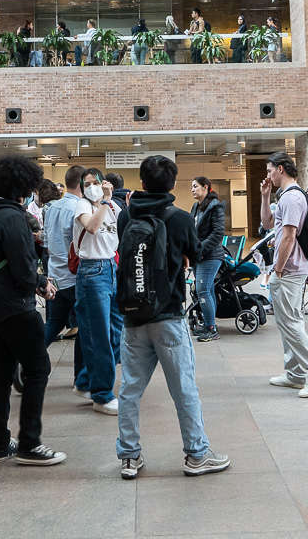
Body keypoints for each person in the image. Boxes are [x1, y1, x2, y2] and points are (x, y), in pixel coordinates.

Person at [114, 155, 230, 479]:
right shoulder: (179, 217)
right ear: (173, 184)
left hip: (133, 317)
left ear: (141, 181)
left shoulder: (126, 216)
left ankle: (129, 456)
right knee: (183, 388)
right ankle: (196, 454)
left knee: (130, 390)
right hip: (169, 317)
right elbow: (196, 252)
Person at [0, 155, 66, 466]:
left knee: (1, 374)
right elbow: (23, 270)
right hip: (16, 307)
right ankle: (30, 443)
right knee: (38, 369)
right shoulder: (13, 218)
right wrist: (42, 282)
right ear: (23, 187)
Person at [261, 151, 308, 397]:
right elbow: (269, 224)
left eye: (270, 170)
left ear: (281, 169)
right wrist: (265, 196)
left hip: (289, 269)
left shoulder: (292, 198)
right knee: (288, 321)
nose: (268, 175)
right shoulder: (285, 196)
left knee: (290, 322)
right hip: (292, 268)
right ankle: (294, 373)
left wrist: (277, 269)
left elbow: (289, 235)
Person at [74, 166, 123, 415]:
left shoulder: (116, 208)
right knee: (98, 335)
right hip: (91, 271)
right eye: (87, 183)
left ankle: (85, 381)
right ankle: (102, 394)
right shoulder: (83, 206)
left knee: (117, 333)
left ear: (106, 182)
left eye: (96, 181)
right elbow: (92, 228)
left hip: (111, 268)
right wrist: (103, 201)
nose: (91, 186)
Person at [43, 166, 86, 390]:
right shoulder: (79, 208)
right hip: (74, 276)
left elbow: (47, 241)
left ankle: (27, 360)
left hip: (55, 273)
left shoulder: (52, 207)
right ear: (81, 184)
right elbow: (81, 245)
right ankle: (80, 378)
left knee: (54, 323)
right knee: (82, 327)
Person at [189, 176, 226, 342]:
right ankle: (208, 325)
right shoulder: (196, 207)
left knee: (202, 290)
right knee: (207, 290)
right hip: (199, 255)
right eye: (192, 186)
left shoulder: (215, 207)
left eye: (195, 186)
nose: (192, 190)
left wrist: (200, 248)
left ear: (205, 187)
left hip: (211, 256)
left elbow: (218, 233)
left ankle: (211, 329)